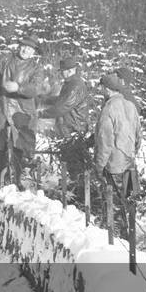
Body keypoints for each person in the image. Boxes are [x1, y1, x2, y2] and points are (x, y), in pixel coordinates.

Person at [0, 37, 50, 190]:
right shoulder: (5, 59)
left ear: (34, 52)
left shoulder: (36, 68)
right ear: (19, 46)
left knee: (19, 146)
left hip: (21, 111)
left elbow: (35, 88)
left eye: (30, 49)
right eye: (24, 47)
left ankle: (17, 180)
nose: (26, 50)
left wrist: (18, 87)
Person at [94, 74, 142, 239]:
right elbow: (138, 136)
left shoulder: (108, 108)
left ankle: (117, 240)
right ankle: (132, 237)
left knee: (114, 204)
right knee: (130, 201)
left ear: (106, 89)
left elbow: (104, 141)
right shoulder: (131, 106)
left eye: (102, 88)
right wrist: (131, 153)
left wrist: (100, 166)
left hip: (114, 164)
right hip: (130, 161)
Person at [40, 56, 91, 202]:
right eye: (63, 71)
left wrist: (40, 114)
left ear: (75, 69)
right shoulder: (70, 84)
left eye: (69, 70)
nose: (66, 73)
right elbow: (61, 100)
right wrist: (45, 99)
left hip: (74, 128)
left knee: (75, 163)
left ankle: (80, 196)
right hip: (70, 127)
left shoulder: (75, 84)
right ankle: (78, 192)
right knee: (71, 162)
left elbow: (62, 107)